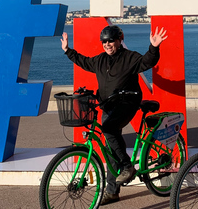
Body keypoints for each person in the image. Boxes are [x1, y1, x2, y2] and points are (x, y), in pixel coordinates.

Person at [61, 24, 168, 206]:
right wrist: (67, 51)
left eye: (111, 40)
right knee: (111, 148)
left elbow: (147, 62)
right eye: (104, 41)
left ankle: (127, 167)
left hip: (127, 104)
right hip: (108, 106)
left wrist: (154, 47)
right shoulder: (100, 60)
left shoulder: (129, 57)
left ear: (119, 40)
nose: (107, 44)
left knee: (109, 129)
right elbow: (84, 61)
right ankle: (112, 192)